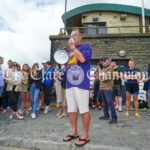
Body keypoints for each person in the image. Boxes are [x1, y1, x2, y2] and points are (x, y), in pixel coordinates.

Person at [63, 29, 92, 147]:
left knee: (84, 109)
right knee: (71, 109)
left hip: (81, 83)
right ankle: (74, 132)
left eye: (75, 35)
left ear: (80, 37)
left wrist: (73, 48)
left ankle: (85, 134)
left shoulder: (85, 47)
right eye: (71, 35)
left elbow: (82, 59)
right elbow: (68, 67)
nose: (73, 37)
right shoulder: (70, 52)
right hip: (70, 83)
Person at [99, 57, 117, 124]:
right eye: (102, 61)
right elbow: (98, 78)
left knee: (110, 103)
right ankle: (106, 115)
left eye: (104, 61)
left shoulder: (110, 68)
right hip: (102, 88)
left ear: (108, 61)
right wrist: (101, 76)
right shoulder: (102, 69)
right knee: (105, 103)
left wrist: (102, 76)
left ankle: (114, 118)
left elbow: (107, 77)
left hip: (107, 88)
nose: (102, 62)